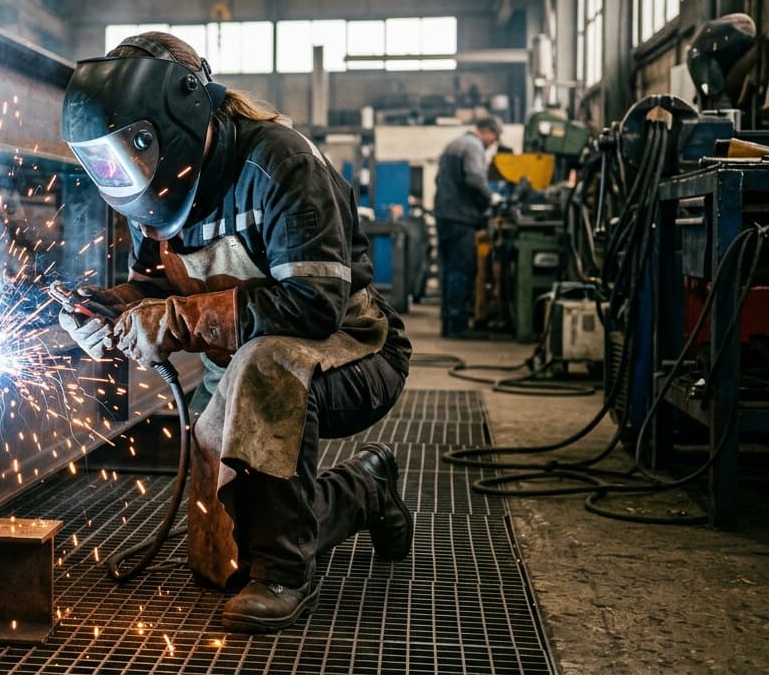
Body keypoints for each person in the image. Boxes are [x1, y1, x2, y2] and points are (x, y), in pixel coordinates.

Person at [55, 32, 413, 634]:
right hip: (240, 371)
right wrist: (111, 311)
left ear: (181, 114)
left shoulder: (280, 162)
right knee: (220, 560)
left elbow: (313, 306)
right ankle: (366, 489)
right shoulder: (160, 189)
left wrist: (174, 323)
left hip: (352, 352)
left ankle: (284, 575)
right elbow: (156, 290)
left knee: (263, 366)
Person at [433, 117, 502, 339]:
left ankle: (449, 323)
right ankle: (459, 326)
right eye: (495, 137)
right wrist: (491, 200)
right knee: (462, 270)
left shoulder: (453, 145)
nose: (494, 143)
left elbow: (438, 180)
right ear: (487, 131)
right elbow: (474, 179)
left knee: (449, 271)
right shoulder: (473, 147)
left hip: (444, 216)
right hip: (461, 219)